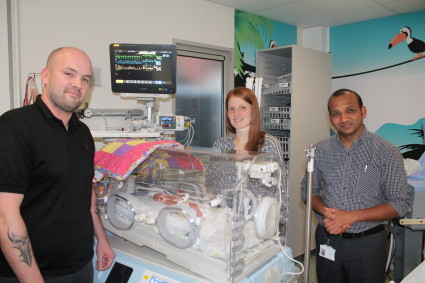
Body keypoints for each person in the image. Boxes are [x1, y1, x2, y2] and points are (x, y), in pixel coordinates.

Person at [0, 47, 115, 282]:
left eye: (85, 79)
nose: (78, 84)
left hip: (80, 266)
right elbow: (4, 215)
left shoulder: (82, 133)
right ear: (45, 76)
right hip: (33, 272)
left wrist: (102, 240)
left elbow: (86, 195)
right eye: (69, 74)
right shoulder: (15, 127)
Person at [301, 88, 413, 283]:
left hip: (368, 243)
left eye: (350, 110)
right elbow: (308, 191)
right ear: (330, 118)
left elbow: (400, 203)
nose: (343, 118)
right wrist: (327, 212)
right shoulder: (318, 150)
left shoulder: (386, 152)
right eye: (336, 113)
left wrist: (351, 216)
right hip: (328, 238)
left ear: (363, 112)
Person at [212, 87, 284, 163]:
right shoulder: (221, 144)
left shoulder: (268, 144)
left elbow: (279, 174)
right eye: (231, 108)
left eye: (242, 107)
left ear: (253, 110)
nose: (236, 114)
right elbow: (213, 174)